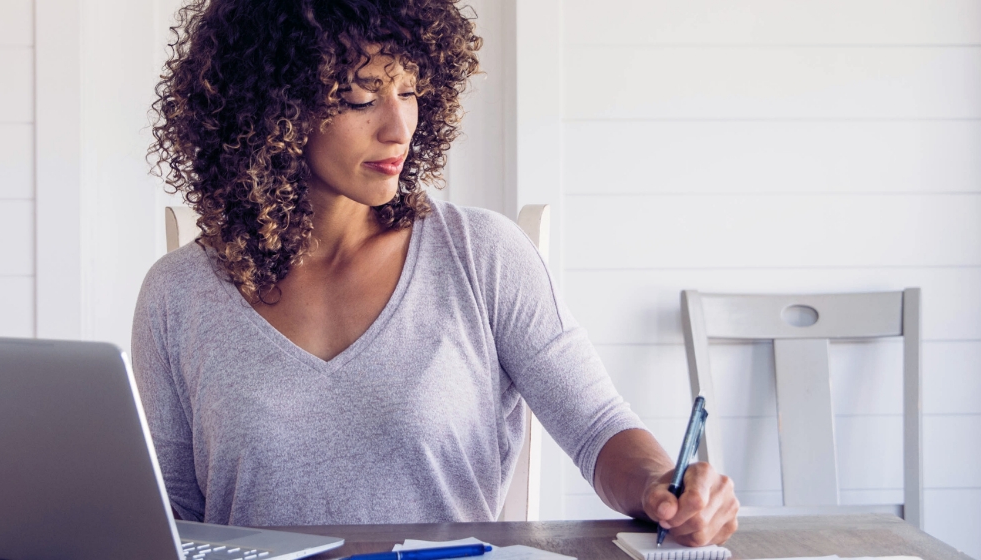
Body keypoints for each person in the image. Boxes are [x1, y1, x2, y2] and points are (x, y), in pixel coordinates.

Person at [134, 0, 739, 547]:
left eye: (410, 90)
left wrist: (665, 485)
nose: (398, 127)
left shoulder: (481, 255)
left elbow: (598, 428)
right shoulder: (179, 293)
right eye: (362, 97)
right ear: (271, 107)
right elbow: (168, 517)